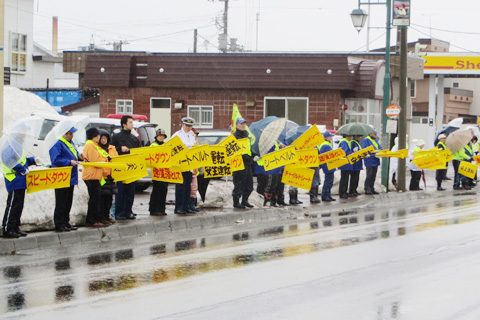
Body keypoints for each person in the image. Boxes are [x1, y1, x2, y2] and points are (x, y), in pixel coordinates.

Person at [49, 127, 84, 232]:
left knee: (68, 200)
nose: (72, 135)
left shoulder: (70, 142)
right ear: (64, 133)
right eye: (70, 133)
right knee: (61, 201)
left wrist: (79, 156)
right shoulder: (57, 143)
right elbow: (55, 160)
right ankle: (59, 223)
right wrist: (69, 162)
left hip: (71, 176)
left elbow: (74, 154)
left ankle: (65, 221)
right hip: (61, 176)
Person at [2, 142, 37, 238]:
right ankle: (8, 228)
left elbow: (22, 161)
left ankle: (15, 227)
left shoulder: (18, 145)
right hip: (13, 178)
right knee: (13, 204)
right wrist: (21, 169)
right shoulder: (10, 145)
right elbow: (8, 160)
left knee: (18, 205)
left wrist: (33, 160)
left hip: (20, 179)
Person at [110, 115, 141, 220]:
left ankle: (128, 211)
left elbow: (140, 151)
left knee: (131, 191)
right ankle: (119, 212)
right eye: (130, 122)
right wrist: (119, 149)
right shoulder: (116, 137)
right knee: (120, 191)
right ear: (124, 124)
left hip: (132, 169)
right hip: (120, 169)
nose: (132, 124)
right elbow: (109, 149)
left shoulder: (134, 138)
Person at [82, 127, 108, 228]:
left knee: (96, 198)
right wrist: (105, 161)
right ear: (94, 136)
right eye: (98, 135)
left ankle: (93, 218)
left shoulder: (92, 145)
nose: (99, 137)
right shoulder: (90, 145)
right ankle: (91, 219)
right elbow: (95, 161)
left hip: (94, 175)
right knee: (94, 198)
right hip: (91, 175)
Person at [171, 117, 197, 214]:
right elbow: (173, 148)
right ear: (182, 125)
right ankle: (179, 207)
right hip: (180, 165)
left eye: (190, 126)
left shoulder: (191, 136)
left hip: (189, 165)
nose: (188, 128)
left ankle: (186, 207)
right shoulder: (177, 135)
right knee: (180, 188)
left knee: (187, 187)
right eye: (186, 125)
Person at [232, 118, 257, 209]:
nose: (243, 125)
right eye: (241, 124)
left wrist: (254, 154)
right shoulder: (234, 136)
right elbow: (236, 151)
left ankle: (245, 200)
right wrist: (248, 157)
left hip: (247, 163)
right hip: (239, 164)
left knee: (249, 183)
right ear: (237, 125)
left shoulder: (246, 135)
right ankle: (236, 202)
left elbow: (248, 148)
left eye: (244, 124)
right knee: (239, 183)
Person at [98, 129, 117, 223]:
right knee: (102, 198)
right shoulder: (97, 149)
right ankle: (101, 216)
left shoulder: (112, 148)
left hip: (112, 177)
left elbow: (116, 161)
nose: (103, 140)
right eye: (102, 138)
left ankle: (106, 215)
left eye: (105, 138)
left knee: (109, 198)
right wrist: (106, 174)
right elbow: (100, 163)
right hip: (102, 177)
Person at [149, 129, 169, 216]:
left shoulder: (166, 145)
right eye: (159, 135)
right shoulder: (153, 145)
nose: (161, 137)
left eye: (162, 136)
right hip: (157, 171)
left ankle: (161, 209)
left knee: (164, 190)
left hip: (165, 171)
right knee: (157, 190)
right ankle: (154, 209)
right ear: (156, 136)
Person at [362, 130, 382, 194]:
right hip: (369, 160)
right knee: (369, 175)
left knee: (373, 175)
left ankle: (371, 188)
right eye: (375, 134)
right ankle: (367, 188)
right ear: (370, 133)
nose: (376, 135)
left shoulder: (375, 140)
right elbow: (364, 149)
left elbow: (379, 147)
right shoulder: (366, 140)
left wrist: (380, 151)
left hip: (375, 159)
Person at [319, 131, 336, 202]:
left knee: (330, 181)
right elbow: (328, 156)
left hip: (329, 165)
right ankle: (325, 195)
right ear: (327, 137)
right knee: (328, 181)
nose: (331, 138)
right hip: (328, 165)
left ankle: (328, 195)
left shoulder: (326, 144)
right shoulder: (326, 145)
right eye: (330, 137)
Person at [338, 134, 353, 199]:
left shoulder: (346, 142)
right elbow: (344, 152)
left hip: (347, 163)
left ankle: (344, 191)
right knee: (344, 178)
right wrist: (350, 154)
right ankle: (342, 192)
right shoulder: (344, 142)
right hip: (345, 163)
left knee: (346, 178)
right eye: (350, 136)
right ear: (347, 136)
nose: (351, 137)